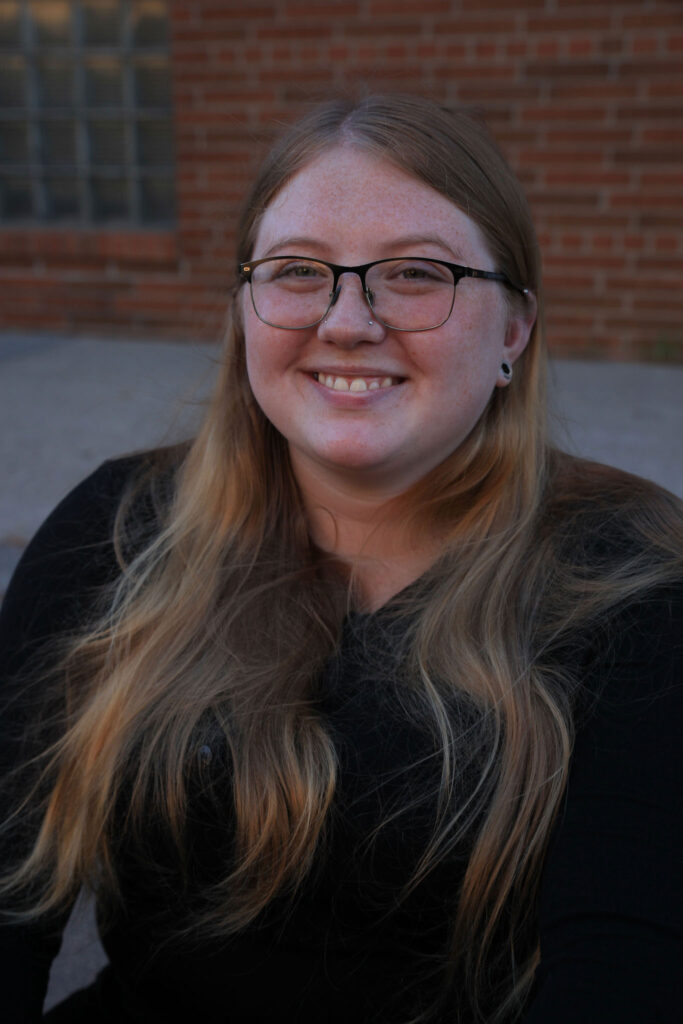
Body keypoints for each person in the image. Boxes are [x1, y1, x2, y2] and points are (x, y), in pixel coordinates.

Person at [1, 93, 681, 1024]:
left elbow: (624, 968)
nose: (347, 320)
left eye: (412, 273)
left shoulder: (630, 581)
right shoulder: (118, 531)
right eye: (295, 271)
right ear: (245, 309)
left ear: (514, 329)